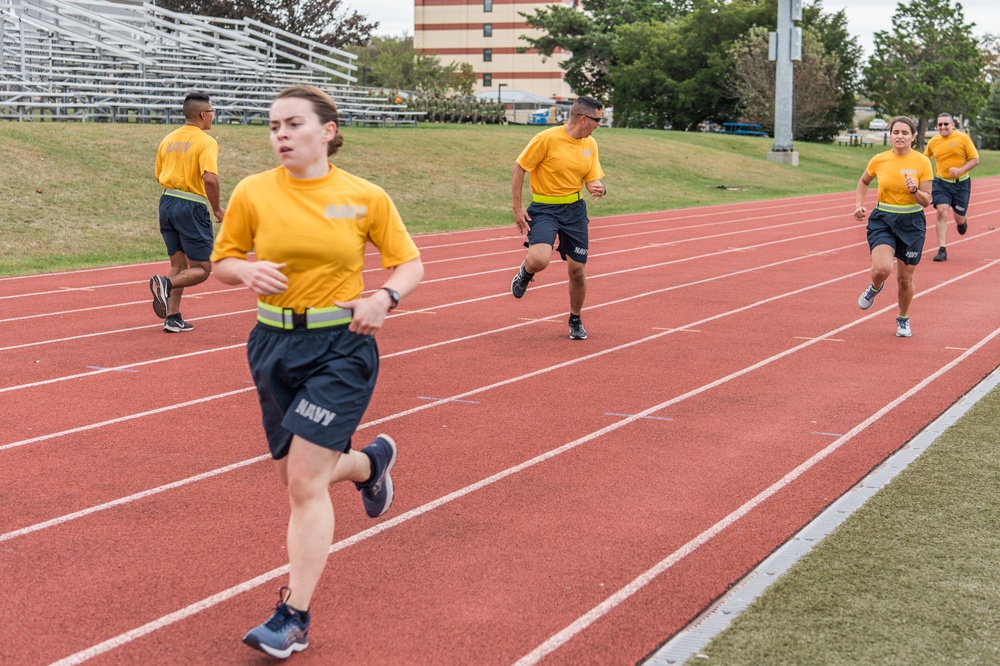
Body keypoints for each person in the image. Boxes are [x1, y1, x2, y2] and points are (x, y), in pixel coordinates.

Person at [211, 85, 423, 659]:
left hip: (342, 345)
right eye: (273, 125)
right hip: (271, 343)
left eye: (293, 124)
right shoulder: (254, 191)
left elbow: (410, 262)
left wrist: (385, 297)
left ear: (327, 130)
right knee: (296, 476)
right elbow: (221, 260)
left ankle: (294, 617)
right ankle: (367, 464)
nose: (280, 134)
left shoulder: (363, 196)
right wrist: (245, 272)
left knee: (304, 482)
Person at [510, 95, 606, 340]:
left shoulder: (590, 144)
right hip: (544, 208)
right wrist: (517, 208)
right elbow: (520, 167)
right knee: (540, 260)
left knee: (577, 272)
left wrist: (598, 187)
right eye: (598, 120)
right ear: (583, 119)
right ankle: (526, 272)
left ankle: (575, 319)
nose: (599, 124)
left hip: (574, 211)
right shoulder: (547, 139)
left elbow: (591, 177)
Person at [150, 91, 225, 332]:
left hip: (167, 202)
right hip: (191, 204)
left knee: (179, 264)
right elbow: (210, 179)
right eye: (212, 112)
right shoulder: (206, 142)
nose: (213, 116)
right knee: (202, 268)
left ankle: (173, 317)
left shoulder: (168, 139)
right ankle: (165, 283)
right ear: (203, 114)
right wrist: (216, 208)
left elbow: (159, 175)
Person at [854, 116, 933, 338]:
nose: (899, 136)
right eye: (896, 132)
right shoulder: (879, 160)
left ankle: (903, 318)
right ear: (890, 135)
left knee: (904, 279)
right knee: (882, 269)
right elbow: (863, 182)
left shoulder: (922, 162)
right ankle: (875, 288)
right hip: (884, 220)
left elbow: (927, 201)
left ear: (913, 137)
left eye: (904, 133)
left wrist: (915, 190)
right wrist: (859, 205)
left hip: (912, 223)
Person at [923, 112, 980, 262]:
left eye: (946, 124)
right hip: (941, 183)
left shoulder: (963, 139)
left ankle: (962, 222)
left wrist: (960, 170)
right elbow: (924, 160)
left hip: (961, 184)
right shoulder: (933, 142)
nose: (942, 127)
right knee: (941, 211)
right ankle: (942, 249)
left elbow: (975, 159)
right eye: (940, 124)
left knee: (959, 218)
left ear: (952, 125)